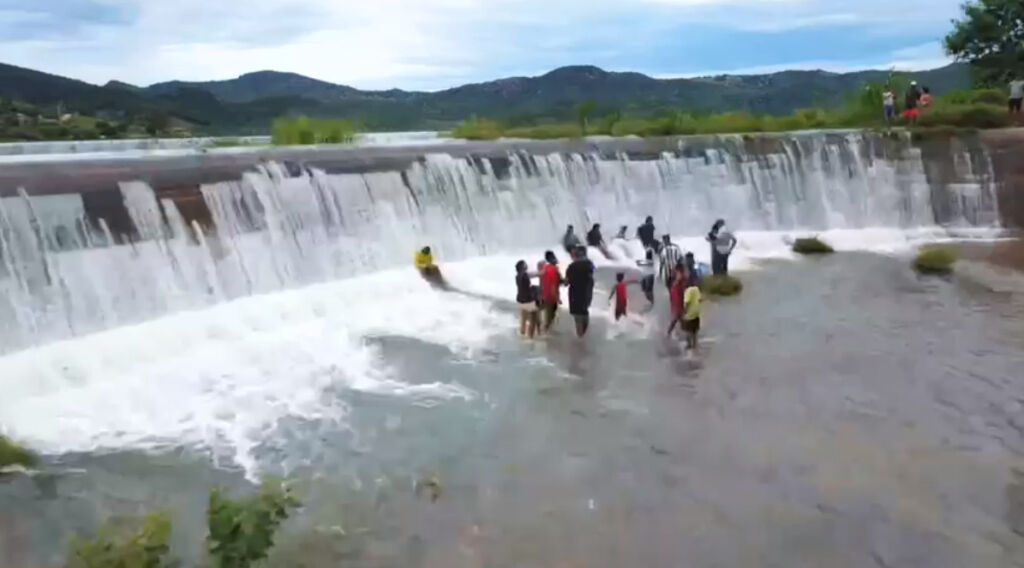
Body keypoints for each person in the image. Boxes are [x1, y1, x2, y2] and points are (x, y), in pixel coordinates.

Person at [565, 246, 595, 337]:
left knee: (578, 318)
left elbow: (566, 282)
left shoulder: (571, 266)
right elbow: (593, 271)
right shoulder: (590, 263)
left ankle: (580, 339)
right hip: (587, 294)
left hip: (575, 295)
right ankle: (584, 337)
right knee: (585, 313)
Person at [540, 250, 563, 331]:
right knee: (550, 318)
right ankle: (545, 334)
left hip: (545, 295)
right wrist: (557, 298)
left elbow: (543, 282)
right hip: (551, 297)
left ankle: (544, 331)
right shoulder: (553, 269)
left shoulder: (545, 268)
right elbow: (553, 285)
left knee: (548, 316)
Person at [515, 260, 538, 338]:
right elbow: (532, 275)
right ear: (522, 267)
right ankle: (530, 336)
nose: (526, 265)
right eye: (525, 264)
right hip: (527, 300)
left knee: (523, 319)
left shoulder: (517, 276)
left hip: (520, 299)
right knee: (533, 318)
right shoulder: (524, 275)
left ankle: (522, 333)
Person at [681, 273, 702, 350]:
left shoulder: (688, 291)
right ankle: (695, 344)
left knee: (688, 331)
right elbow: (700, 299)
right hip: (696, 313)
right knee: (694, 330)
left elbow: (687, 302)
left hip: (689, 314)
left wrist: (684, 312)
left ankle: (689, 344)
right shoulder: (696, 289)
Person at [666, 264, 688, 338]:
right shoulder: (676, 278)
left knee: (677, 318)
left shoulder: (682, 279)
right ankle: (689, 336)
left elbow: (684, 290)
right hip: (676, 301)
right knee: (679, 318)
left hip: (679, 301)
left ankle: (669, 333)